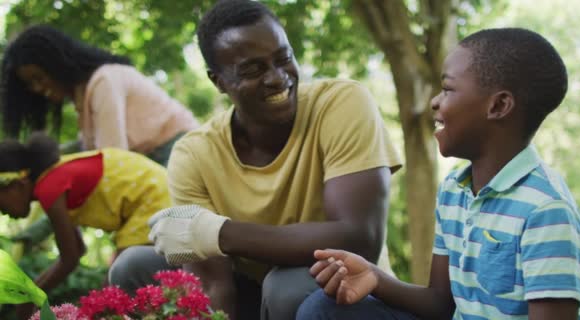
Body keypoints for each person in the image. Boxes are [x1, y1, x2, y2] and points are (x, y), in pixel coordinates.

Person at [109, 0, 403, 319]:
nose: (277, 78)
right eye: (252, 69)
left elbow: (360, 240)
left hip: (342, 295)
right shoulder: (194, 154)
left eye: (283, 59)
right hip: (251, 294)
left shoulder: (341, 103)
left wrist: (219, 233)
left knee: (284, 286)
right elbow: (213, 284)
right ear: (218, 81)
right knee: (133, 266)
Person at [296, 28, 580, 320]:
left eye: (448, 89)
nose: (435, 101)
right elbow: (440, 304)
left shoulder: (547, 210)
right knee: (322, 308)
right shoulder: (454, 189)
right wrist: (374, 276)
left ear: (499, 106)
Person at [0, 133, 171, 319]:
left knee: (111, 298)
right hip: (157, 194)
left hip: (151, 199)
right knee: (110, 300)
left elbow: (70, 257)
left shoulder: (49, 188)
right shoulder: (54, 178)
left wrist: (29, 297)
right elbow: (77, 250)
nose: (2, 212)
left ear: (18, 184)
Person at [1, 24, 199, 166]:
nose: (37, 88)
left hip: (181, 154)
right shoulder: (83, 99)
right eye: (29, 84)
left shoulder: (104, 82)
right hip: (158, 160)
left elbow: (113, 160)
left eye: (39, 77)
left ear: (56, 65)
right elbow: (86, 148)